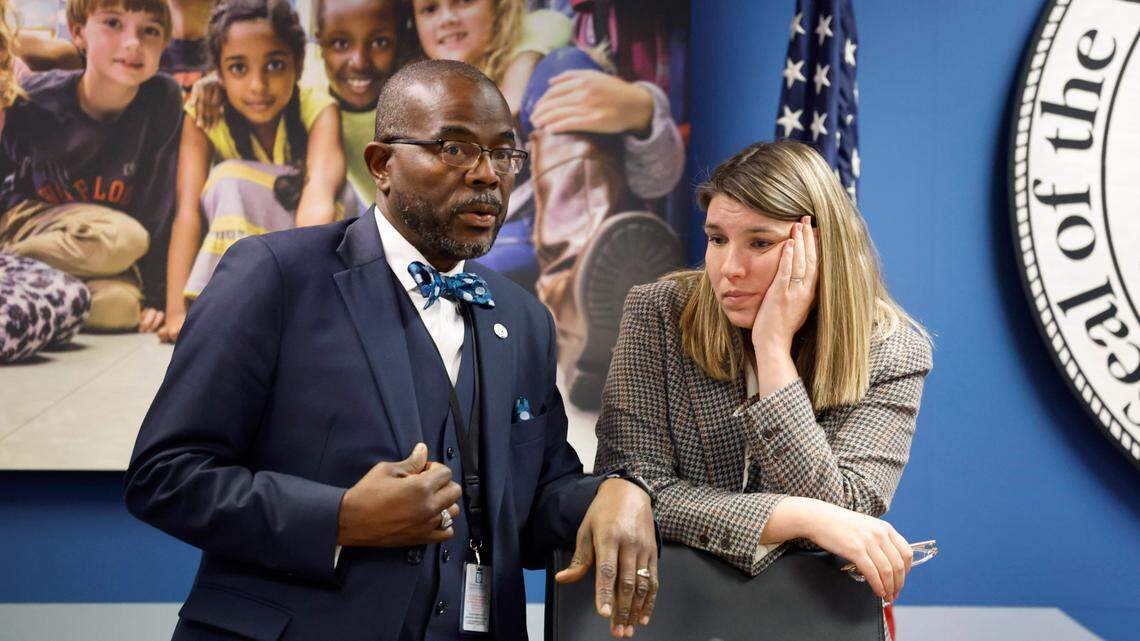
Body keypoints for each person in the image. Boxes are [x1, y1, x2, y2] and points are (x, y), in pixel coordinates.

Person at [125, 59, 658, 640]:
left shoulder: (524, 318)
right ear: (382, 164)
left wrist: (613, 492)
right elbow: (166, 475)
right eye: (454, 148)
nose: (488, 175)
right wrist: (341, 519)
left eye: (504, 154)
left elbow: (537, 503)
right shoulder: (274, 276)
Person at [595, 141, 932, 619]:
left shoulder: (892, 349)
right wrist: (798, 517)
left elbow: (848, 505)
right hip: (672, 614)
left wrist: (773, 350)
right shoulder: (658, 313)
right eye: (717, 239)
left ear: (819, 245)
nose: (730, 268)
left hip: (807, 617)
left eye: (759, 242)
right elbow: (630, 486)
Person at [411, 0, 685, 405]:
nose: (447, 18)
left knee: (566, 64)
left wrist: (642, 111)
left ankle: (578, 302)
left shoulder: (548, 66)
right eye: (430, 9)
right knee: (458, 277)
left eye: (463, 1)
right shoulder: (415, 106)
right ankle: (578, 328)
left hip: (576, 242)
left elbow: (659, 177)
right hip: (497, 252)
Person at [160, 0, 345, 342]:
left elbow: (318, 201)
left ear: (298, 65)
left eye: (275, 65)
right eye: (238, 68)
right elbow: (186, 212)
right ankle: (231, 307)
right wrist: (175, 312)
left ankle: (273, 309)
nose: (258, 85)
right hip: (247, 254)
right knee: (225, 182)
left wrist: (307, 300)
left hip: (313, 246)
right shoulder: (204, 116)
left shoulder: (317, 108)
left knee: (238, 180)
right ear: (218, 72)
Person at [0, 0, 182, 334]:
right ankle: (8, 264)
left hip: (97, 256)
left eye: (150, 31)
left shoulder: (162, 99)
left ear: (164, 44)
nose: (132, 43)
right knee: (125, 238)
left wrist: (155, 297)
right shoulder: (35, 99)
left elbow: (160, 204)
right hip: (32, 225)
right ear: (78, 33)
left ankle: (16, 285)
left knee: (122, 308)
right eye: (113, 23)